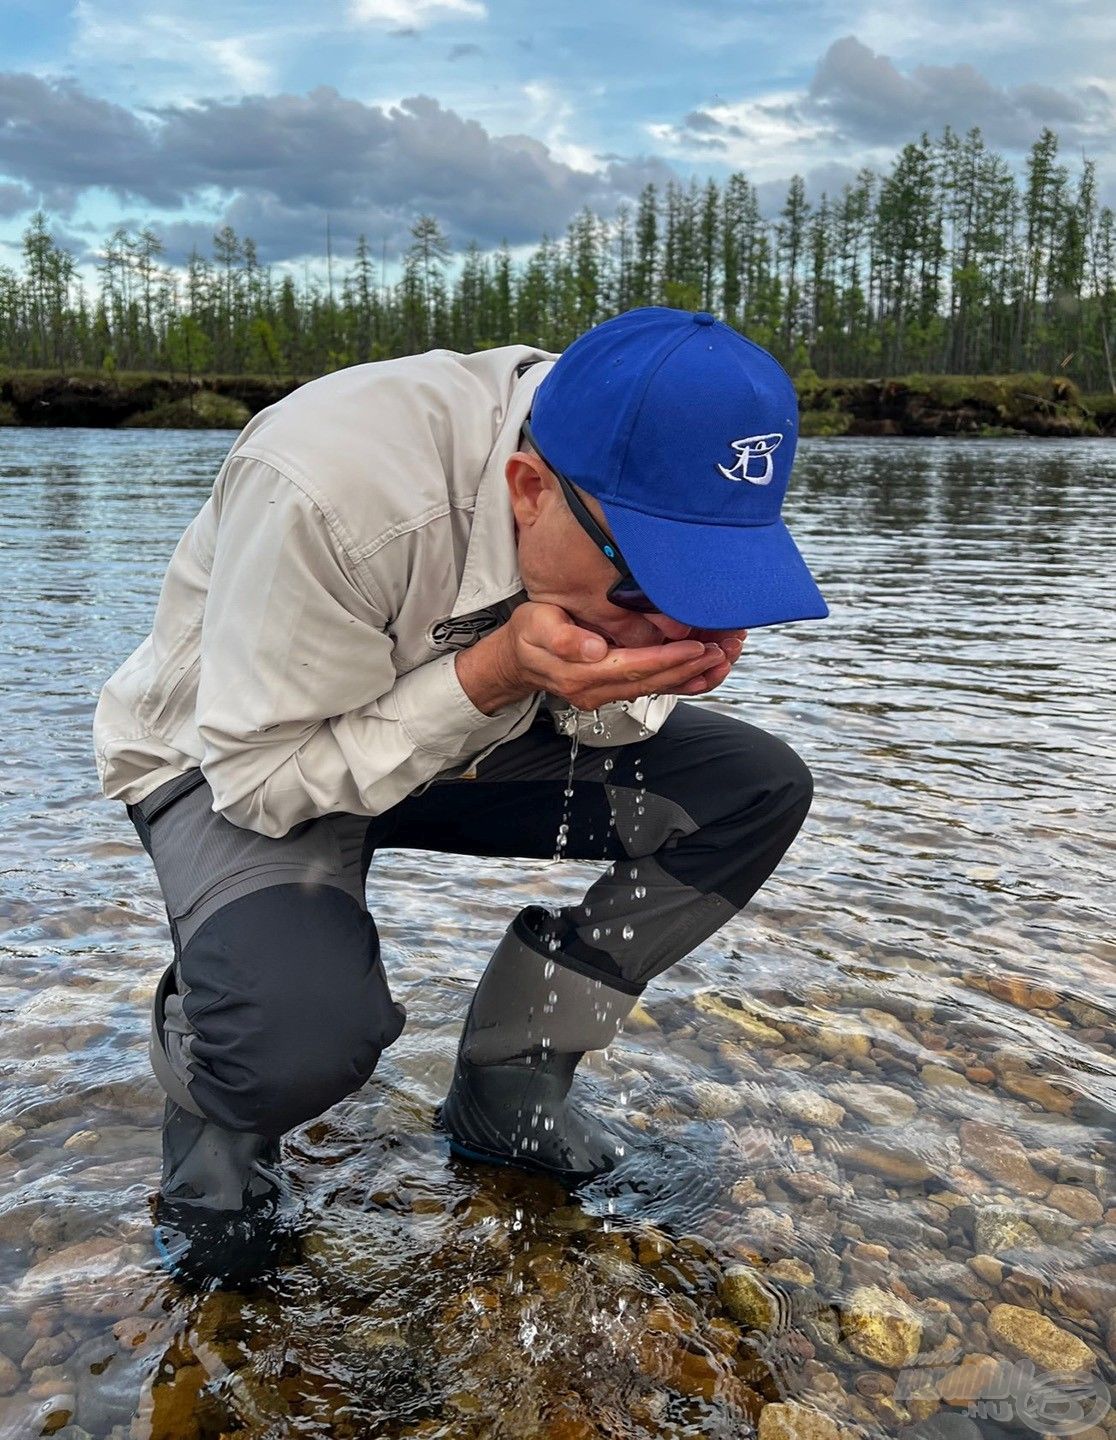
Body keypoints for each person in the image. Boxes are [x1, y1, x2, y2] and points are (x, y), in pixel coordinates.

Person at [93, 305, 828, 1286]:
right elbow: (265, 780)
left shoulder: (631, 445)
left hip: (466, 737)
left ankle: (511, 1084)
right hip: (236, 758)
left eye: (718, 587)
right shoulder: (329, 482)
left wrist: (633, 680)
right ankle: (219, 1126)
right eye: (648, 588)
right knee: (293, 1044)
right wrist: (488, 673)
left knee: (753, 789)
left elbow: (595, 717)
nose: (683, 621)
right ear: (529, 489)